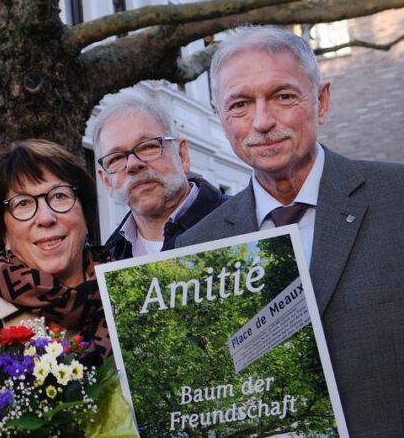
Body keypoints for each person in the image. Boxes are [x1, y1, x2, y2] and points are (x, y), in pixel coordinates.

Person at [174, 26, 404, 435]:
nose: (262, 122)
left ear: (321, 101)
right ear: (220, 117)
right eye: (240, 104)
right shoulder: (197, 248)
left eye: (283, 96)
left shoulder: (397, 199)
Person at [0, 140, 111, 364]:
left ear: (85, 212)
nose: (46, 218)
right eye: (23, 203)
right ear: (3, 230)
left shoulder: (127, 285)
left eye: (59, 196)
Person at [89, 96, 228, 259]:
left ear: (182, 155)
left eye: (148, 146)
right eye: (116, 158)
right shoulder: (108, 260)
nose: (132, 164)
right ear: (107, 182)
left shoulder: (247, 219)